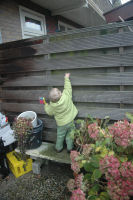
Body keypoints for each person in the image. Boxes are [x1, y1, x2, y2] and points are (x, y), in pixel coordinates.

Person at [44, 73, 78, 153]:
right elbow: (68, 87)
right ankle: (70, 148)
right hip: (71, 121)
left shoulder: (52, 106)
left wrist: (46, 105)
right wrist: (66, 78)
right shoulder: (66, 95)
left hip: (61, 124)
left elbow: (49, 112)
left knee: (60, 136)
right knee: (70, 135)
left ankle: (58, 148)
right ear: (60, 93)